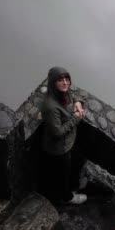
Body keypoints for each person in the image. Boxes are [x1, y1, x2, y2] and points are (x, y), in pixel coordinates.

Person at [40, 66, 87, 205]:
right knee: (62, 175)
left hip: (68, 143)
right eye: (60, 80)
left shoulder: (63, 93)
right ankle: (67, 198)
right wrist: (76, 119)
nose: (65, 83)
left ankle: (74, 184)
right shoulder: (51, 106)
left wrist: (78, 103)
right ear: (53, 82)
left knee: (76, 162)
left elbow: (75, 93)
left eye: (67, 79)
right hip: (58, 149)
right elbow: (57, 133)